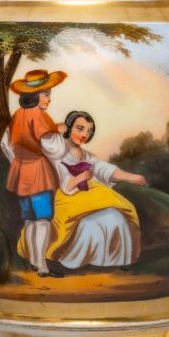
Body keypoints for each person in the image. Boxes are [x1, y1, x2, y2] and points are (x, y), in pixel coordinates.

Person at [30, 110, 148, 271]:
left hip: (90, 196)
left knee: (115, 216)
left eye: (88, 131)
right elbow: (39, 141)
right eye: (80, 128)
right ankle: (76, 260)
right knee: (89, 223)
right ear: (68, 128)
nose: (84, 134)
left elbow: (104, 169)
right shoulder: (57, 150)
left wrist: (130, 177)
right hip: (67, 199)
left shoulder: (86, 155)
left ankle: (117, 259)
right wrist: (80, 178)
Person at [0, 69, 66, 276]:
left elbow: (5, 144)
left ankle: (34, 261)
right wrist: (59, 132)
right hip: (38, 173)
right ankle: (42, 266)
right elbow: (54, 149)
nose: (49, 100)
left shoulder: (17, 115)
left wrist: (18, 161)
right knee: (43, 219)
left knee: (29, 220)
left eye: (49, 95)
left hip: (20, 173)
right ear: (35, 96)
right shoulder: (39, 116)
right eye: (46, 95)